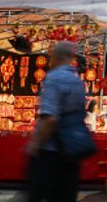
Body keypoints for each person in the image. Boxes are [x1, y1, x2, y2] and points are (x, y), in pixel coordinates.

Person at [26, 42, 86, 202]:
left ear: (54, 57)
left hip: (51, 149)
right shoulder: (78, 82)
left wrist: (36, 143)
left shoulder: (53, 78)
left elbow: (50, 118)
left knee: (40, 193)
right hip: (73, 149)